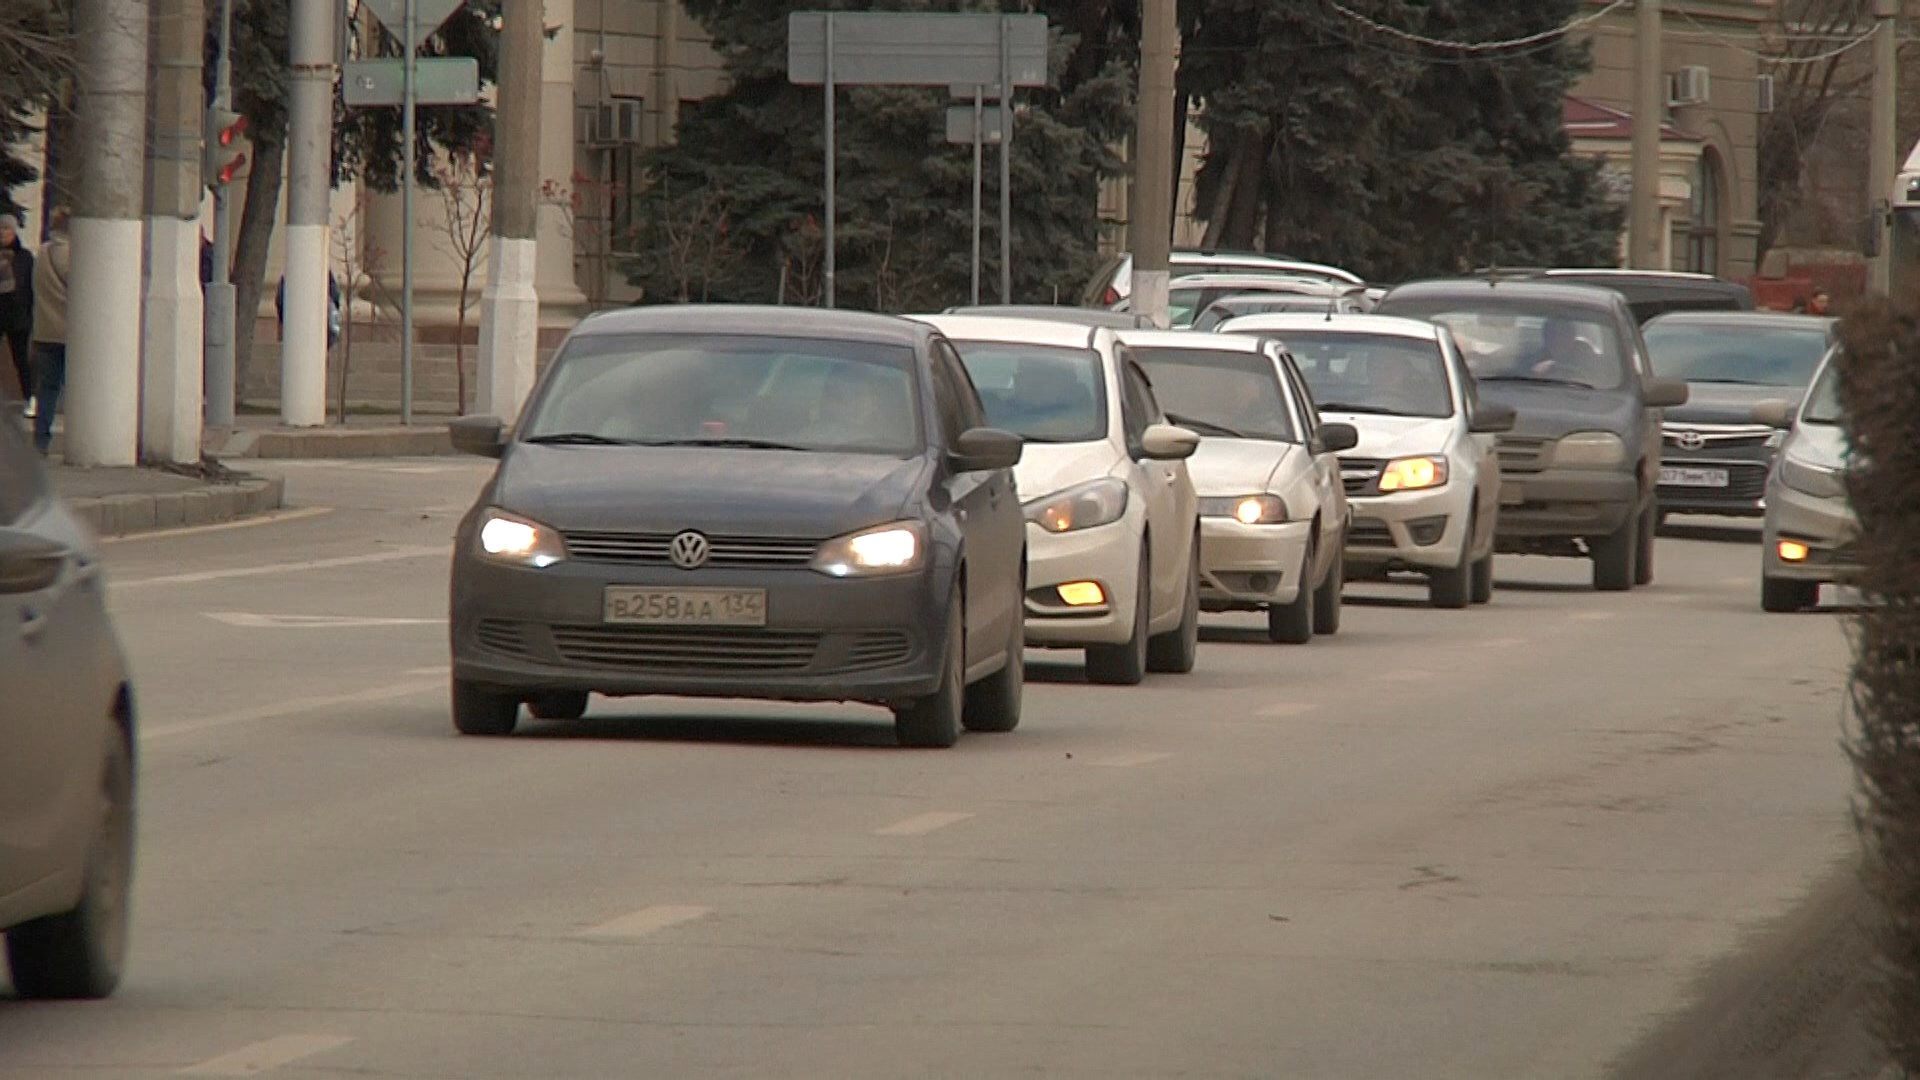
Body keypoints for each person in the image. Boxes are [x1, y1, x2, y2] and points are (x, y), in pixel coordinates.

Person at [30, 208, 70, 455]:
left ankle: (40, 440)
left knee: (47, 388)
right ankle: (86, 438)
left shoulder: (42, 252)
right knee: (76, 388)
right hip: (68, 332)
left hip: (44, 331)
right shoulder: (72, 254)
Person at [0, 213, 34, 411]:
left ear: (14, 232)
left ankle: (29, 397)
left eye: (6, 229)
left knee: (21, 360)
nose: (3, 233)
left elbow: (30, 286)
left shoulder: (25, 257)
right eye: (1, 229)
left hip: (18, 316)